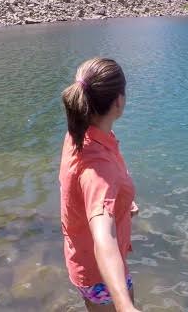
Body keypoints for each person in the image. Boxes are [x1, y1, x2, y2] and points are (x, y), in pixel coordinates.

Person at [59, 57, 140, 312]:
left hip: (80, 256)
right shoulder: (97, 166)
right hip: (98, 274)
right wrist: (125, 306)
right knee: (125, 298)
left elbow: (89, 190)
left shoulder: (80, 132)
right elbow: (103, 237)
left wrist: (122, 201)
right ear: (119, 101)